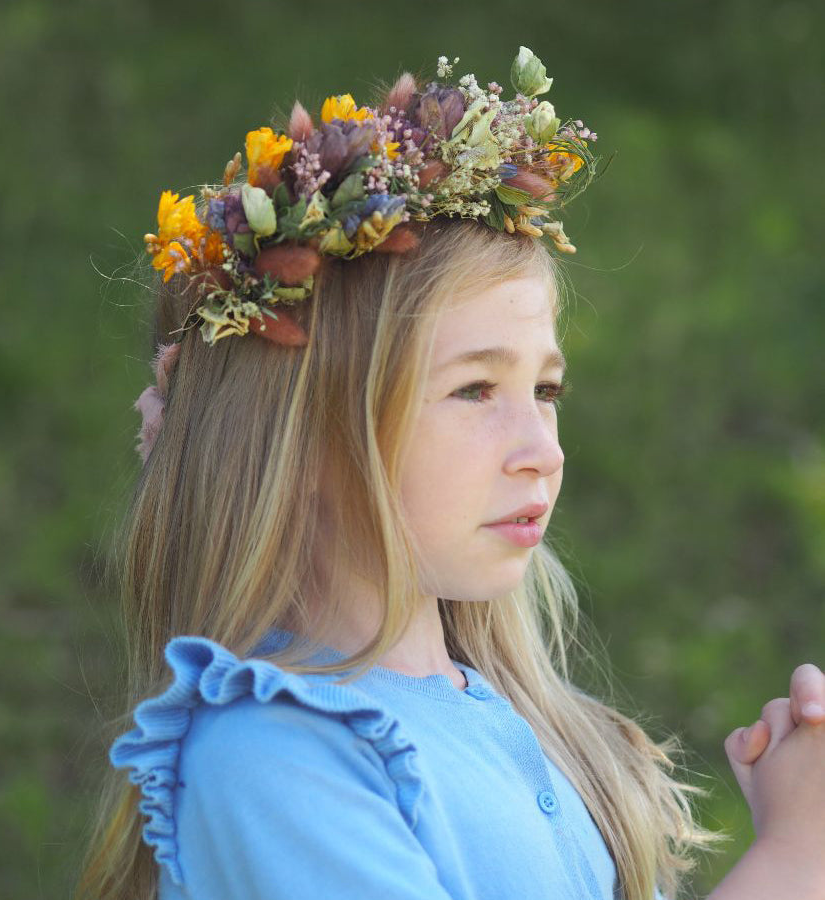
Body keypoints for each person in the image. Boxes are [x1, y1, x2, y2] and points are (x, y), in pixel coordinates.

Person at [76, 45, 825, 900]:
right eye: (474, 389)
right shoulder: (271, 758)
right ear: (303, 437)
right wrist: (795, 862)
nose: (542, 447)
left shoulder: (518, 721)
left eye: (545, 389)